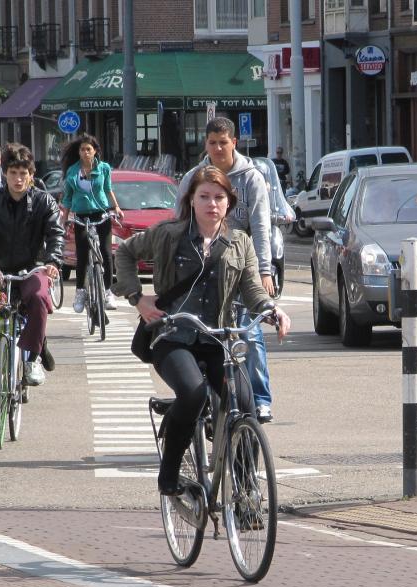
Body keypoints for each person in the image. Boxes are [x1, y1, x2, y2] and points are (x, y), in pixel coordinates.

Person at [114, 165, 291, 496]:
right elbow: (124, 252)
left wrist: (271, 309)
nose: (212, 203)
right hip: (172, 336)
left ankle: (246, 491)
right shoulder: (169, 234)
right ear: (191, 200)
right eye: (204, 196)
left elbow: (253, 290)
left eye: (219, 197)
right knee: (193, 393)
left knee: (246, 403)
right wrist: (138, 298)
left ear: (229, 203)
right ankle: (169, 472)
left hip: (217, 339)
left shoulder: (240, 243)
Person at [175, 116, 275, 422]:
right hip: (203, 267)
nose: (218, 148)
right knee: (204, 334)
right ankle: (205, 397)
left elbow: (261, 226)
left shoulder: (251, 178)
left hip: (241, 265)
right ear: (205, 144)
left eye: (223, 142)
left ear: (234, 142)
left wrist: (264, 271)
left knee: (249, 335)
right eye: (212, 143)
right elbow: (179, 222)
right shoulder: (194, 177)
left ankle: (259, 398)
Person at [0, 142, 64, 423]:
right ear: (4, 173)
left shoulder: (44, 202)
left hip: (32, 269)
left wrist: (53, 262)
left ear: (31, 175)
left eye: (23, 173)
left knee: (39, 298)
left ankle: (31, 360)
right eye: (13, 172)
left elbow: (56, 233)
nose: (18, 179)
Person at [58, 134, 122, 314]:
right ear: (78, 152)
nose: (85, 152)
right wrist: (64, 219)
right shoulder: (73, 171)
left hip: (101, 214)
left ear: (95, 151)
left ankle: (108, 292)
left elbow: (108, 189)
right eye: (82, 149)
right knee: (82, 255)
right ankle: (80, 292)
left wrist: (116, 207)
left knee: (107, 254)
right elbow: (68, 198)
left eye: (88, 149)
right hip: (81, 216)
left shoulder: (103, 168)